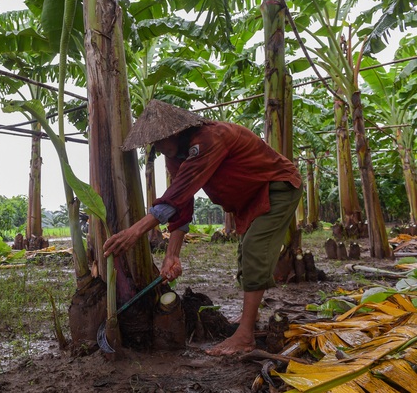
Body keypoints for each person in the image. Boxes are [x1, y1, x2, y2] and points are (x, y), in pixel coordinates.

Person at [103, 99, 302, 356]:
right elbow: (182, 204)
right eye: (155, 144)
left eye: (161, 140)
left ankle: (245, 336)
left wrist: (135, 231)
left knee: (255, 250)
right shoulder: (176, 156)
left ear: (176, 132)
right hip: (249, 199)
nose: (159, 148)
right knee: (247, 257)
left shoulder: (210, 137)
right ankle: (247, 324)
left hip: (277, 187)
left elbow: (179, 192)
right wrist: (172, 255)